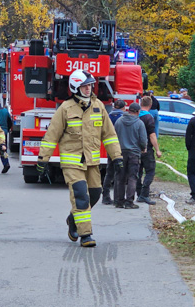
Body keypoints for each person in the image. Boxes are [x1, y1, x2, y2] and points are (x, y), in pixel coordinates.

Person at [36, 69, 123, 248]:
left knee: (95, 194)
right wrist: (43, 159)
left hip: (92, 162)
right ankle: (86, 235)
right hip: (72, 162)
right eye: (84, 86)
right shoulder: (65, 109)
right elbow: (52, 135)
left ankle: (73, 218)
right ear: (75, 87)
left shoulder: (98, 106)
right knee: (81, 196)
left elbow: (109, 135)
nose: (88, 89)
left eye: (90, 85)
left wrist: (117, 157)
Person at [113, 102, 147, 209]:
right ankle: (129, 202)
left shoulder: (119, 121)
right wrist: (143, 148)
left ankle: (119, 201)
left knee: (120, 177)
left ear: (128, 110)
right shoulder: (139, 123)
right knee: (132, 177)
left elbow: (114, 136)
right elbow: (142, 140)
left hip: (120, 153)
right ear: (137, 112)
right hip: (134, 153)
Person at [136, 96, 162, 205]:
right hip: (146, 148)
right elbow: (152, 135)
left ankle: (138, 192)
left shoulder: (136, 116)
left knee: (138, 171)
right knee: (150, 171)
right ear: (150, 105)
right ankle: (144, 194)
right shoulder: (149, 118)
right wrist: (157, 150)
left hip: (136, 148)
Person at [102, 99, 126, 205]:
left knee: (109, 172)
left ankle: (105, 196)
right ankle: (118, 198)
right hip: (120, 147)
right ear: (123, 107)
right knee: (120, 173)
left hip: (110, 147)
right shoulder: (124, 117)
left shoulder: (108, 116)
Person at [184, 113, 195, 204]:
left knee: (192, 173)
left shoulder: (193, 121)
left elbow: (188, 136)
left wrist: (189, 148)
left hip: (194, 151)